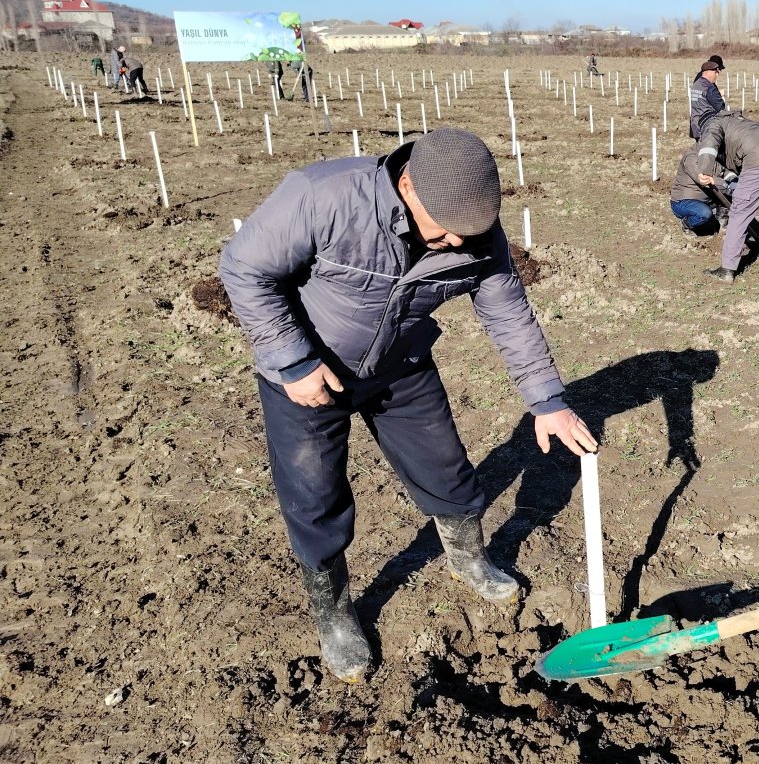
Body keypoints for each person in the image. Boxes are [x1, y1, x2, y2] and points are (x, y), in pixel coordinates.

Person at [217, 128, 598, 683]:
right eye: (443, 227)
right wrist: (292, 360)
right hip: (306, 375)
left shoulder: (473, 234)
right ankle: (333, 609)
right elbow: (244, 268)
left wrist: (546, 401)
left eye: (468, 232)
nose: (453, 241)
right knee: (314, 495)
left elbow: (508, 313)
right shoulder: (325, 196)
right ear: (408, 185)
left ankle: (468, 557)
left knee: (447, 470)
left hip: (400, 364)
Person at [696, 110, 759, 282]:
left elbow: (709, 143)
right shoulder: (739, 122)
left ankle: (727, 268)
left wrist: (704, 169)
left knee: (739, 211)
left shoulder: (713, 123)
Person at [670, 144, 732, 234]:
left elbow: (725, 171)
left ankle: (721, 225)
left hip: (705, 200)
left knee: (729, 194)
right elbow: (705, 180)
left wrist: (734, 181)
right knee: (704, 213)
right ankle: (687, 224)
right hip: (682, 203)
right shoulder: (692, 158)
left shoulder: (714, 154)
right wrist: (729, 187)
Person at [689, 57, 726, 140]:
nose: (718, 74)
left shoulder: (697, 83)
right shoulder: (709, 87)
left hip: (696, 124)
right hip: (708, 127)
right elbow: (720, 107)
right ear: (712, 71)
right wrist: (720, 96)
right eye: (717, 71)